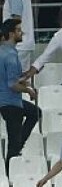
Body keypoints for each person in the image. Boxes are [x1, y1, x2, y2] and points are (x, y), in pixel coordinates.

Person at [0, 19, 38, 175]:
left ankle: (17, 151)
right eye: (18, 30)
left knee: (35, 113)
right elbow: (12, 84)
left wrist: (22, 80)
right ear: (11, 34)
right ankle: (11, 174)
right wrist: (28, 90)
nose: (21, 32)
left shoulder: (3, 51)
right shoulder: (10, 55)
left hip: (6, 100)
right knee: (14, 143)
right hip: (10, 102)